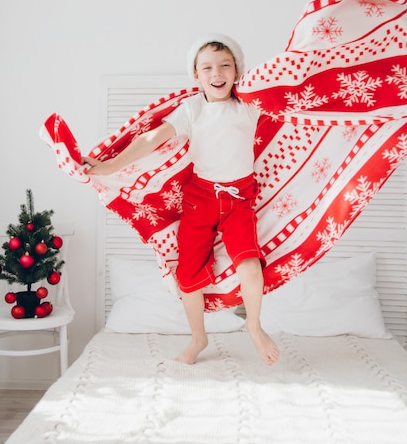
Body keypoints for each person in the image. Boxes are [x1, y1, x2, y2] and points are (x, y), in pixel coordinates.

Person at [84, 34, 280, 366]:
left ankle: (254, 326)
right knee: (187, 275)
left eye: (225, 66)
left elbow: (287, 93)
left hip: (239, 199)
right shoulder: (192, 109)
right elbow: (151, 138)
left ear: (237, 72)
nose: (216, 73)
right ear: (196, 75)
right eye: (207, 68)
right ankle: (198, 338)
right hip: (200, 198)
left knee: (249, 262)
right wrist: (111, 165)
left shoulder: (248, 106)